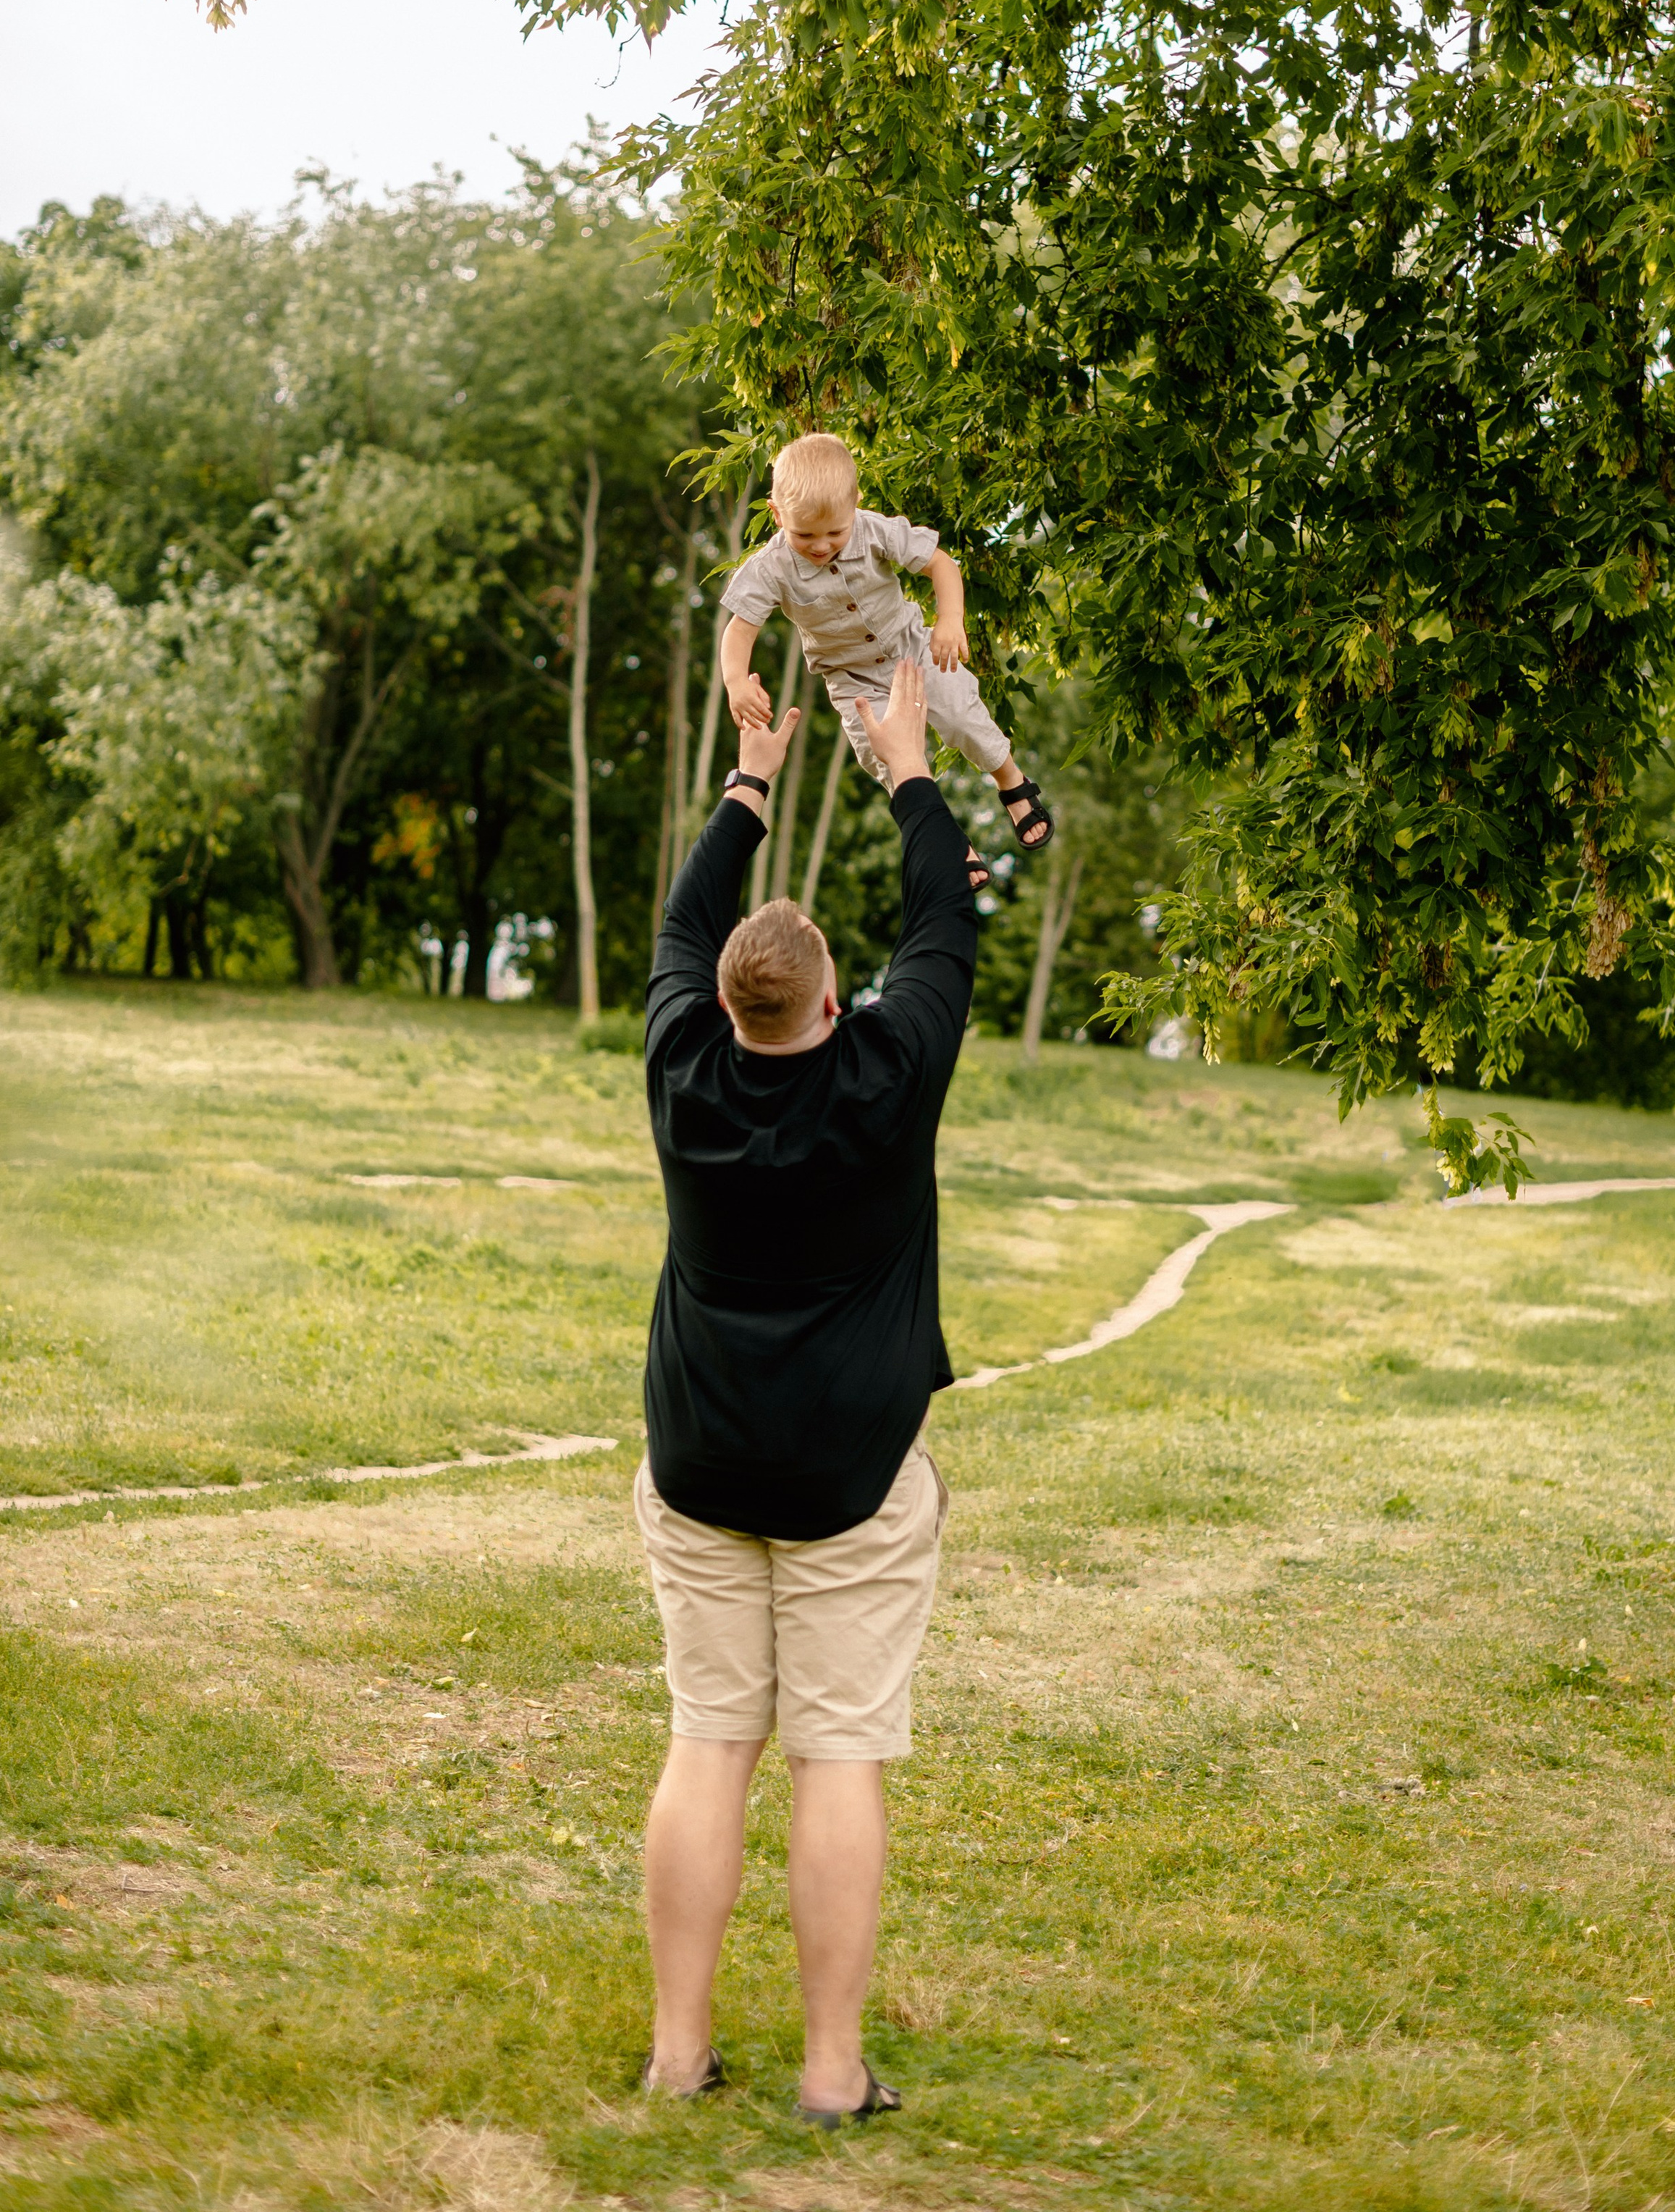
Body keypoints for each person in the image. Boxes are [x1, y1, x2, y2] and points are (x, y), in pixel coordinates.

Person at [633, 657, 976, 2125]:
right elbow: (946, 920)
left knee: (710, 1740)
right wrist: (901, 760)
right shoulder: (889, 1067)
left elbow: (679, 923)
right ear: (837, 1000)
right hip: (851, 1482)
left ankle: (675, 2053)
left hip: (704, 1464)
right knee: (838, 1756)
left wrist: (750, 771)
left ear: (720, 1005)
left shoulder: (677, 1066)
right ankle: (831, 2074)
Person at [718, 429, 1054, 861]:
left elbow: (940, 564)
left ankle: (1012, 781)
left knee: (962, 714)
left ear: (856, 501)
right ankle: (946, 838)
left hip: (912, 648)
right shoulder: (769, 568)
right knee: (887, 759)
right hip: (851, 679)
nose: (821, 546)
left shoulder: (874, 530)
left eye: (835, 533)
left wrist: (950, 619)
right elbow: (740, 629)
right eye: (805, 537)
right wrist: (736, 683)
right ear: (777, 515)